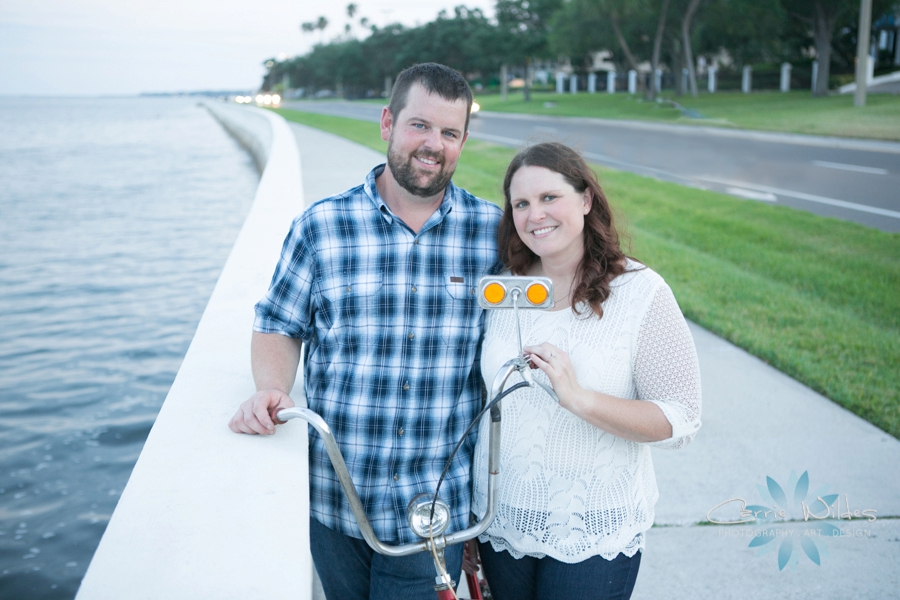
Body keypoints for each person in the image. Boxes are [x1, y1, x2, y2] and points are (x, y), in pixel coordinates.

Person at [228, 63, 502, 600]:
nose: (433, 145)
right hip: (335, 504)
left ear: (463, 142)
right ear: (387, 123)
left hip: (435, 514)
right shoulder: (321, 226)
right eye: (419, 125)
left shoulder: (492, 234)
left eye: (449, 133)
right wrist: (271, 387)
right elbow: (278, 325)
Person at [470, 142, 702, 600]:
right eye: (522, 203)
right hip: (501, 521)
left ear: (586, 199)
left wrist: (579, 399)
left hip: (591, 529)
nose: (535, 215)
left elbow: (682, 419)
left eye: (549, 197)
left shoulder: (639, 293)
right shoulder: (506, 289)